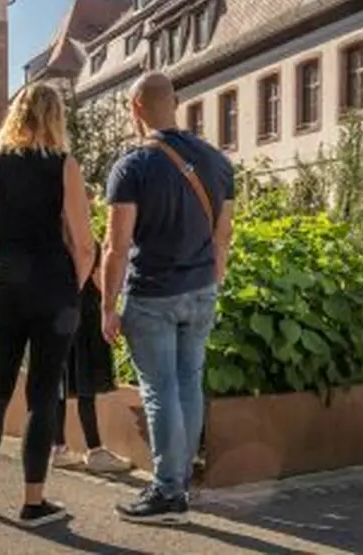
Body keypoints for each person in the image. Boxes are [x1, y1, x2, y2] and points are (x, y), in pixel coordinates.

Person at [0, 83, 94, 528]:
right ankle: (34, 502)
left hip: (4, 283)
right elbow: (84, 242)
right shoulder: (64, 166)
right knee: (43, 393)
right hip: (53, 286)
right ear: (55, 118)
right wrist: (75, 284)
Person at [101, 71, 234, 525]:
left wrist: (106, 306)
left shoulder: (131, 166)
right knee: (188, 385)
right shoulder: (217, 161)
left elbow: (115, 247)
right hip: (200, 292)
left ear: (136, 108)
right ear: (174, 103)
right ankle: (179, 485)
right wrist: (209, 282)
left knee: (160, 391)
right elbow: (224, 237)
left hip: (153, 295)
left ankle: (167, 492)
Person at [51, 240, 132, 475]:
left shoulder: (51, 239)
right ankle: (95, 449)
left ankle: (58, 447)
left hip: (56, 318)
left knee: (60, 385)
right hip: (84, 317)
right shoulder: (86, 242)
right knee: (85, 385)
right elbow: (99, 280)